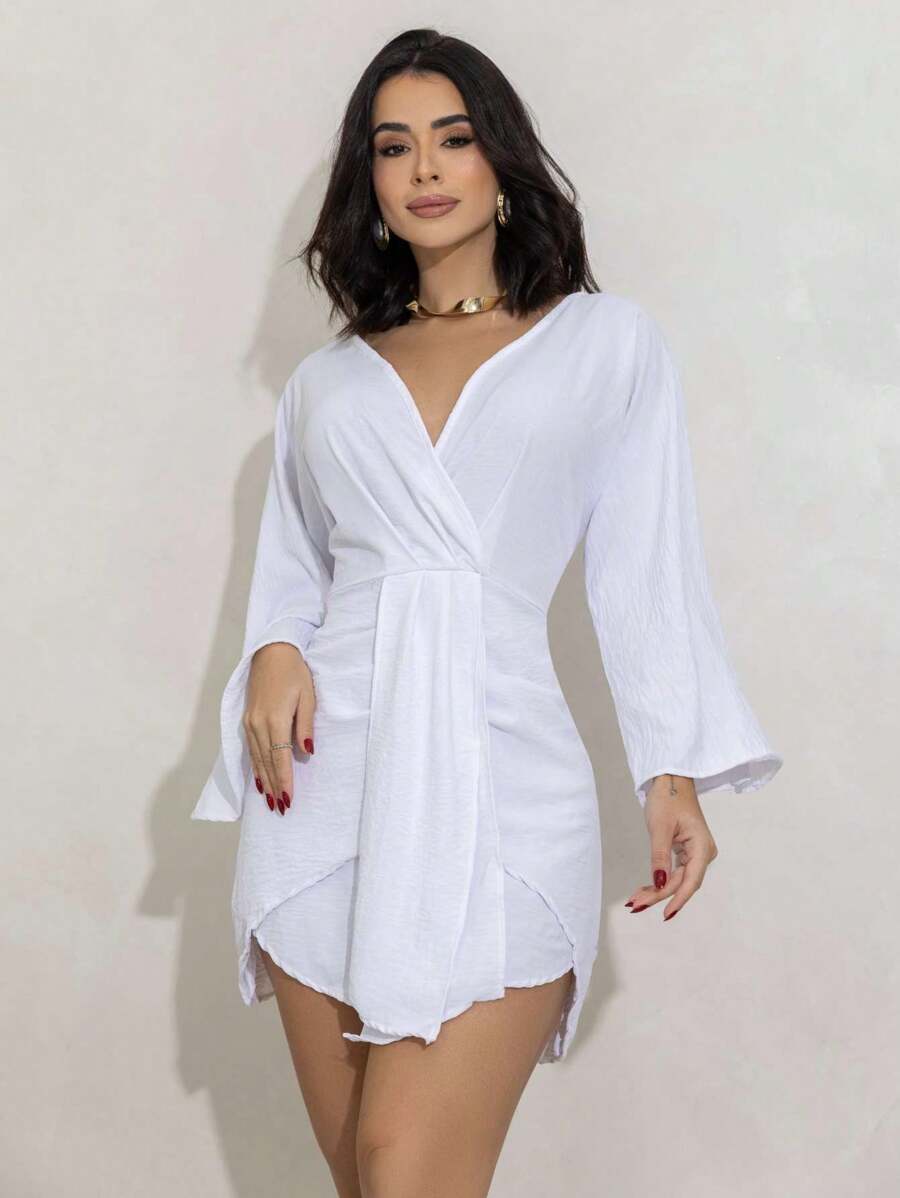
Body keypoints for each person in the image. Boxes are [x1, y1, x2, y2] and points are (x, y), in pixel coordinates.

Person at [191, 27, 783, 1198]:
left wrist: (670, 770)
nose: (423, 167)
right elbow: (293, 571)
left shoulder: (602, 343)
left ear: (501, 159)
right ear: (368, 179)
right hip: (326, 786)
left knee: (404, 1165)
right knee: (367, 1179)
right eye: (393, 145)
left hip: (504, 779)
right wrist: (274, 647)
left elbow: (645, 567)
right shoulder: (326, 384)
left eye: (453, 138)